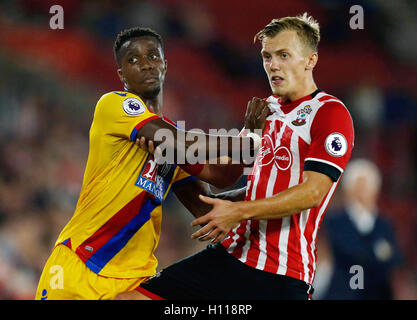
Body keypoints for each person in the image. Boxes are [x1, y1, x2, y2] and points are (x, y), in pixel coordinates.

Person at [117, 13, 355, 300]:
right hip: (230, 256)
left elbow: (312, 192)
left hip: (280, 274)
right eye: (267, 57)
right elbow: (223, 175)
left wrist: (237, 211)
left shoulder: (329, 113)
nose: (273, 65)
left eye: (283, 55)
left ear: (310, 60)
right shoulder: (265, 109)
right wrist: (173, 151)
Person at [35, 27, 265, 300]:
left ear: (165, 65)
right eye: (133, 59)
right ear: (121, 75)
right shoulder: (114, 105)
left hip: (134, 283)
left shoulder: (171, 140)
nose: (145, 64)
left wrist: (254, 152)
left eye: (153, 56)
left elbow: (212, 195)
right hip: (82, 271)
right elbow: (179, 143)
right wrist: (248, 144)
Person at [316, 159, 402, 300]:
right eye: (358, 187)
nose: (362, 192)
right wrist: (377, 254)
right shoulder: (334, 221)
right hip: (341, 294)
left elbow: (394, 259)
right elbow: (349, 250)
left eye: (366, 186)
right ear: (348, 189)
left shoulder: (385, 224)